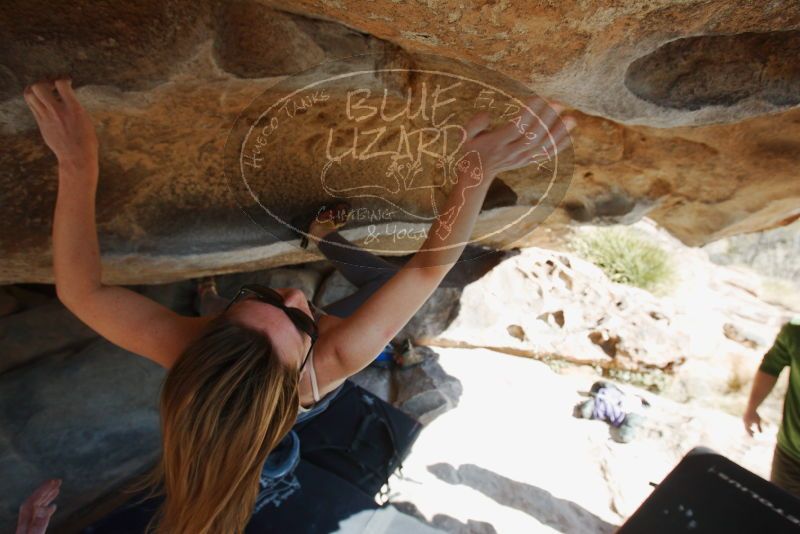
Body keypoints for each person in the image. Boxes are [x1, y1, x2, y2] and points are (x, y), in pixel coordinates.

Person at [22, 77, 575, 533]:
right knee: (383, 294)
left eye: (258, 297)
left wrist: (77, 164)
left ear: (208, 333)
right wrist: (476, 170)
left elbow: (81, 292)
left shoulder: (185, 345)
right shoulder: (334, 358)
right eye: (298, 320)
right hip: (274, 446)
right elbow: (429, 267)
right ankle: (306, 263)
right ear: (307, 361)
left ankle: (259, 279)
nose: (293, 294)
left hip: (221, 406)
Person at [743, 318, 800, 497]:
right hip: (789, 458)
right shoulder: (795, 331)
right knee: (775, 517)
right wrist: (752, 408)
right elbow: (771, 366)